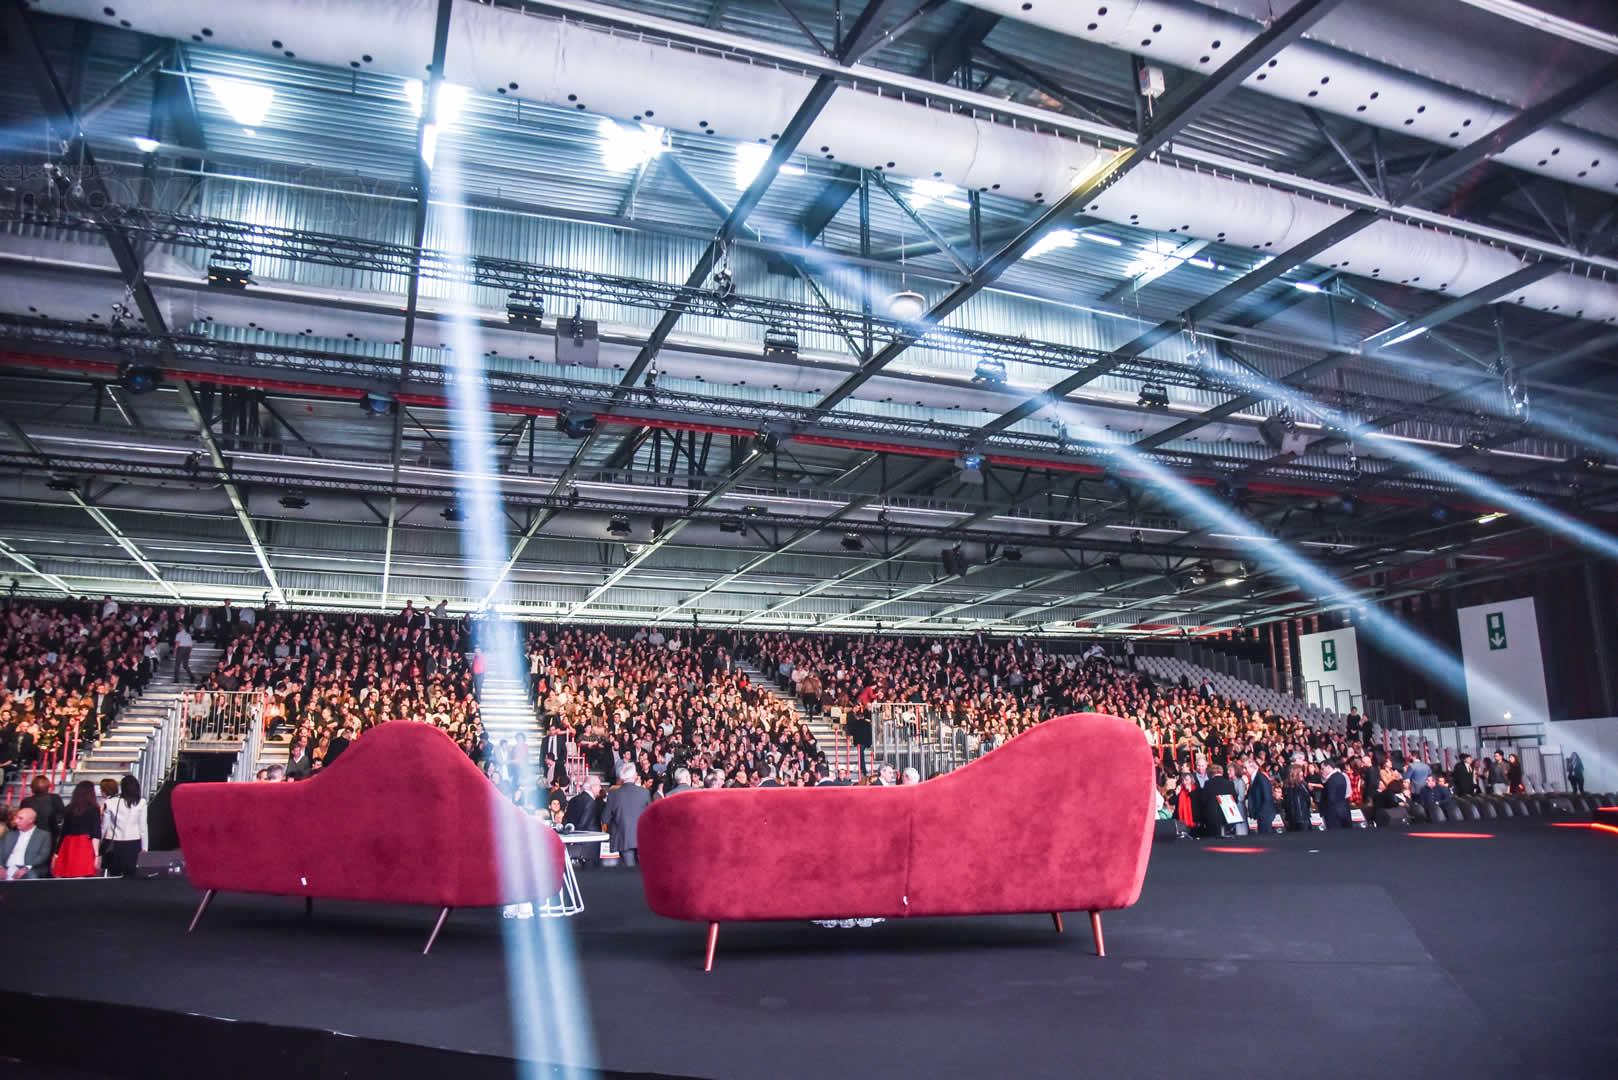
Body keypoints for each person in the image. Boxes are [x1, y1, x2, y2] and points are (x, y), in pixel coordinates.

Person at [603, 762, 651, 868]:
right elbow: (650, 817)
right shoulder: (645, 793)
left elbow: (605, 818)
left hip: (623, 838)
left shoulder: (614, 794)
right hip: (642, 838)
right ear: (634, 776)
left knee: (629, 874)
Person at [101, 774, 148, 877]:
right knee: (130, 874)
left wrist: (100, 840)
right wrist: (145, 846)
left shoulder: (110, 802)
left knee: (113, 873)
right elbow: (143, 827)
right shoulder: (141, 802)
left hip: (113, 842)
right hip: (133, 842)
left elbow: (105, 825)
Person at [52, 781, 101, 878]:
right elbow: (95, 833)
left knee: (68, 875)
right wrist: (96, 855)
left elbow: (64, 832)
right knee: (83, 875)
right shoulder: (94, 809)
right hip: (85, 844)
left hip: (68, 844)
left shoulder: (68, 808)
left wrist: (56, 853)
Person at [1, 807, 52, 880]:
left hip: (29, 868)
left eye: (20, 818)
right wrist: (1, 867)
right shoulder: (9, 835)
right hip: (7, 867)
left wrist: (26, 868)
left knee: (31, 877)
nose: (16, 821)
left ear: (30, 820)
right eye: (16, 818)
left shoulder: (43, 835)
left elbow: (43, 855)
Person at [19, 774, 65, 849]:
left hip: (30, 835)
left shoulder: (26, 801)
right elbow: (60, 817)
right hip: (49, 835)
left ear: (32, 788)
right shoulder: (55, 798)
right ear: (48, 787)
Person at [1199, 763, 1240, 838]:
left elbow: (1203, 800)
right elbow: (1235, 800)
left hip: (1212, 816)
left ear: (1211, 773)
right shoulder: (1229, 783)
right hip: (1227, 815)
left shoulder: (1208, 783)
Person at [1245, 759, 1277, 834]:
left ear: (1252, 767)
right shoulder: (1255, 778)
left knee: (1265, 838)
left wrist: (1261, 813)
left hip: (1265, 814)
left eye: (1246, 768)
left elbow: (1267, 797)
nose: (1245, 771)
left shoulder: (1261, 778)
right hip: (1261, 814)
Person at [1319, 759, 1352, 829]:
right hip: (1344, 810)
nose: (1321, 771)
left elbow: (1331, 798)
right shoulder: (1342, 776)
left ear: (1328, 767)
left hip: (1333, 814)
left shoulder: (1331, 780)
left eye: (1323, 768)